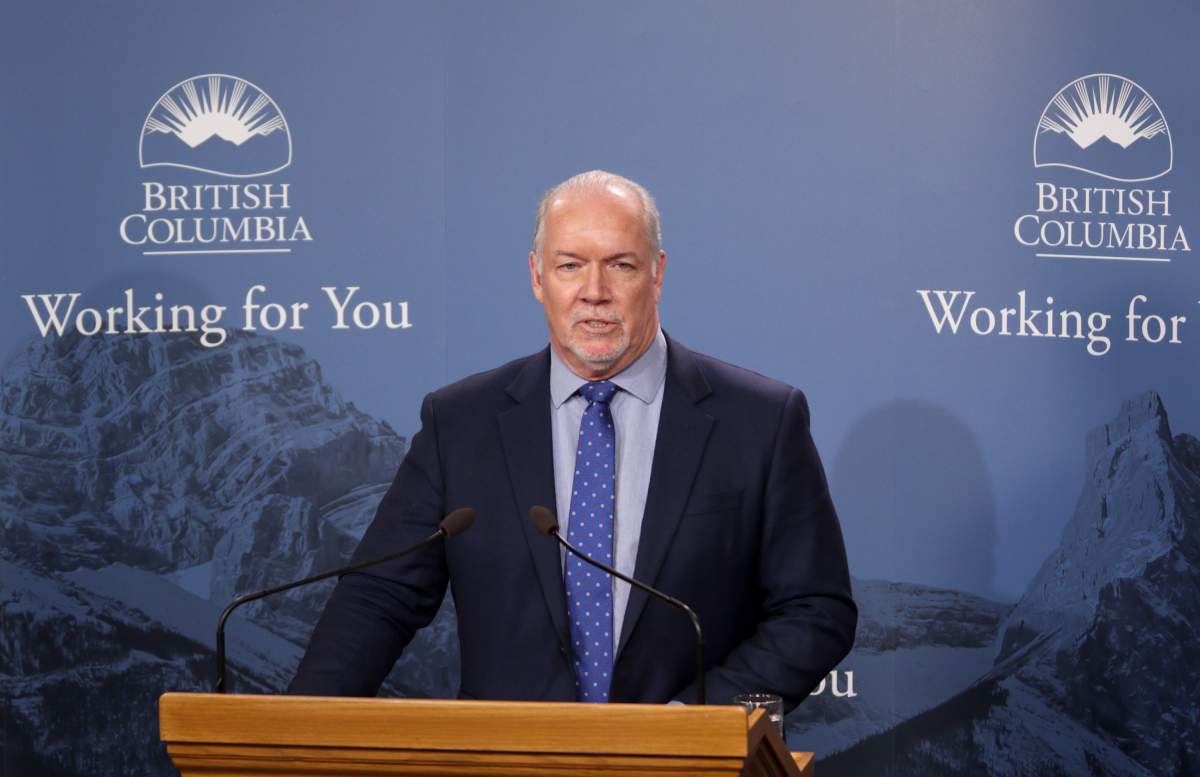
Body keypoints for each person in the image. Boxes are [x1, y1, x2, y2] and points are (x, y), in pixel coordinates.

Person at [290, 170, 856, 710]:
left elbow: (815, 610)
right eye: (570, 266)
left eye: (621, 265)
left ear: (657, 273)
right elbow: (378, 598)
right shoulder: (460, 422)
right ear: (537, 277)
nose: (594, 292)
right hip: (508, 764)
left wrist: (700, 717)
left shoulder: (759, 420)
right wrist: (291, 734)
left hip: (685, 760)